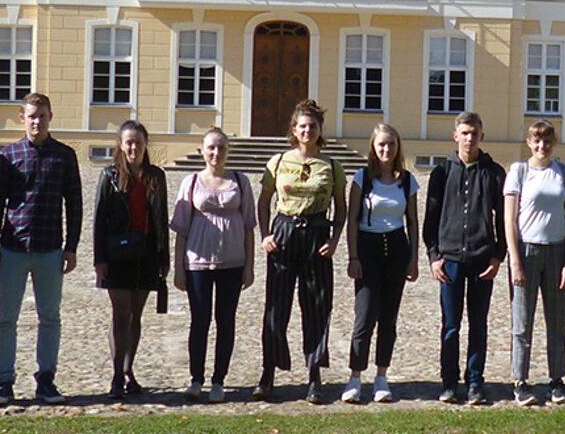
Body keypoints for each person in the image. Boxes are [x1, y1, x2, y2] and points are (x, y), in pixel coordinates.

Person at [0, 92, 83, 406]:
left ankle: (46, 380)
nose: (36, 121)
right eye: (31, 116)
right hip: (13, 248)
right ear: (22, 118)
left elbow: (75, 205)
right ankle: (3, 382)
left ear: (50, 117)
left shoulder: (64, 156)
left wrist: (72, 247)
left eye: (42, 115)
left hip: (50, 249)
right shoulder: (9, 156)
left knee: (50, 318)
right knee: (6, 318)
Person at [255, 100, 347, 404]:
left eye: (313, 126)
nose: (307, 130)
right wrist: (265, 234)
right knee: (276, 307)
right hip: (283, 236)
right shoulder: (278, 161)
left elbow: (342, 208)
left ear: (320, 130)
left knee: (318, 308)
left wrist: (334, 240)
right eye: (302, 126)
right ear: (294, 130)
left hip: (317, 236)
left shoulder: (332, 166)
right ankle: (268, 374)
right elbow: (264, 201)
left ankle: (314, 377)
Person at [424, 111, 505, 406]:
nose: (469, 138)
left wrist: (498, 256)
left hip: (483, 260)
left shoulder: (494, 173)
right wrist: (433, 256)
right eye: (465, 133)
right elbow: (430, 220)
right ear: (455, 136)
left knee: (479, 324)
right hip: (450, 261)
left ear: (481, 136)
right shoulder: (442, 173)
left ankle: (474, 383)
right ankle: (449, 383)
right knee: (451, 324)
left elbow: (502, 220)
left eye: (474, 133)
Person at [171, 127, 256, 404]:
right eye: (211, 147)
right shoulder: (192, 182)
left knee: (226, 322)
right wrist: (179, 267)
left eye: (221, 147)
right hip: (197, 263)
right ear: (202, 151)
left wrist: (249, 266)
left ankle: (219, 380)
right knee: (199, 321)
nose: (216, 153)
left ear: (227, 151)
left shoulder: (240, 182)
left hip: (232, 263)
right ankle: (196, 379)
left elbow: (249, 228)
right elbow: (181, 229)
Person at [342, 123, 420, 404]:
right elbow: (352, 219)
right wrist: (353, 257)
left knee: (389, 318)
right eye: (381, 144)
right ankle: (354, 377)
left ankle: (381, 377)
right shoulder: (363, 178)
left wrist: (413, 259)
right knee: (364, 317)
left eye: (391, 144)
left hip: (396, 248)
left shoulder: (408, 180)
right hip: (368, 247)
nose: (386, 149)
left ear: (398, 147)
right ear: (373, 147)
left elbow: (412, 221)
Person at [92, 120, 169, 399]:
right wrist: (99, 258)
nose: (134, 147)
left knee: (136, 316)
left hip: (146, 254)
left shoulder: (156, 177)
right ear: (121, 145)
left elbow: (162, 218)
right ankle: (115, 375)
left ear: (146, 144)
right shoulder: (110, 175)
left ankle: (128, 370)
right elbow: (99, 219)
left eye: (138, 141)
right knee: (120, 314)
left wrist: (164, 258)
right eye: (129, 142)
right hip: (117, 254)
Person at [504, 119, 565, 407]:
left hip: (556, 252)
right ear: (529, 142)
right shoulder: (518, 172)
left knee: (557, 324)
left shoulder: (563, 172)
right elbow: (509, 220)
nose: (542, 146)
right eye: (536, 140)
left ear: (553, 143)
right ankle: (520, 381)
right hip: (527, 251)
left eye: (547, 141)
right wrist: (515, 261)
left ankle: (556, 380)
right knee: (522, 322)